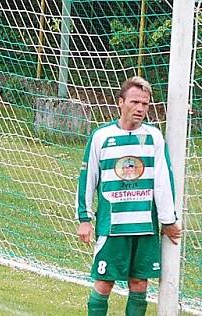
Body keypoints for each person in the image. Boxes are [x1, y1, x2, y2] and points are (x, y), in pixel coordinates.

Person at [75, 76, 182, 316]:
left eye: (145, 104)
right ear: (120, 102)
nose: (141, 108)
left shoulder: (154, 136)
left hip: (145, 227)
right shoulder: (101, 136)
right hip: (112, 227)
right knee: (104, 283)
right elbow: (87, 178)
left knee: (140, 285)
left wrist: (168, 219)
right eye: (135, 102)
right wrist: (84, 218)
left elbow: (163, 180)